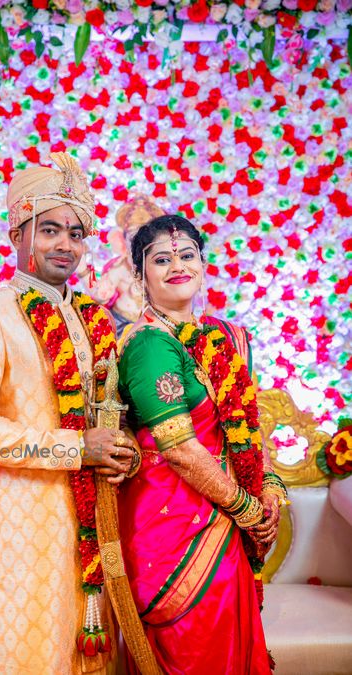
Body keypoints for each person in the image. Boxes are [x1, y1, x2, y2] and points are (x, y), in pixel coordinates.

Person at [0, 152, 134, 675]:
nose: (65, 245)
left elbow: (112, 415)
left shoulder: (95, 320)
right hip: (25, 518)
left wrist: (123, 451)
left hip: (96, 516)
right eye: (50, 230)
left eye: (76, 233)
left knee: (90, 650)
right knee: (30, 650)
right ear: (17, 235)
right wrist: (75, 447)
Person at [117, 215, 287, 674]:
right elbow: (177, 448)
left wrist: (270, 487)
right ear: (140, 275)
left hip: (224, 514)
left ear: (203, 264)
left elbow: (247, 423)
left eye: (187, 255)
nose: (178, 266)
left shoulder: (227, 337)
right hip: (172, 528)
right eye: (161, 259)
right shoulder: (149, 345)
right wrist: (247, 508)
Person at [76, 194, 164, 337]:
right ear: (122, 239)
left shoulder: (163, 266)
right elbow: (100, 296)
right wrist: (82, 270)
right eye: (133, 237)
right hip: (121, 324)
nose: (139, 243)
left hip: (155, 326)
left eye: (145, 238)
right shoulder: (121, 267)